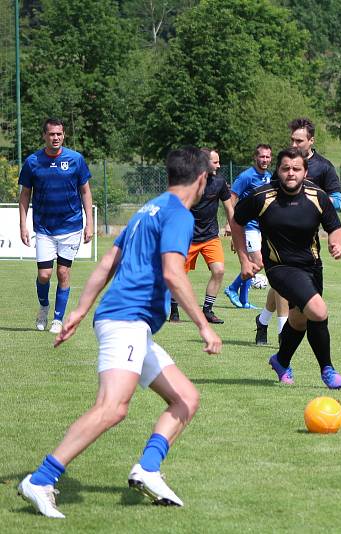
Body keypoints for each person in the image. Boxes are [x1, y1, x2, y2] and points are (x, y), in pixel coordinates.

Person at [17, 147, 222, 519]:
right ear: (203, 179)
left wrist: (80, 310)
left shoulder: (149, 208)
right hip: (126, 320)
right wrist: (204, 325)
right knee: (112, 407)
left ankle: (147, 469)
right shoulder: (178, 214)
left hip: (131, 324)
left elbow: (108, 262)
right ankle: (41, 479)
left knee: (186, 398)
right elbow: (174, 273)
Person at [230, 147, 341, 389]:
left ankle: (281, 360)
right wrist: (244, 259)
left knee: (300, 319)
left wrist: (337, 242)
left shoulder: (317, 196)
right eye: (285, 168)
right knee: (318, 310)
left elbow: (335, 225)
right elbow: (236, 221)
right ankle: (328, 369)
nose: (290, 173)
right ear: (278, 171)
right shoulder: (263, 196)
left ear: (305, 172)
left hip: (312, 267)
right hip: (280, 268)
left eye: (296, 169)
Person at [254, 118, 341, 346]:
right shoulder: (284, 164)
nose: (294, 143)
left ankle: (263, 320)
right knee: (284, 286)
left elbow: (337, 200)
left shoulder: (324, 167)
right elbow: (271, 195)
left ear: (311, 141)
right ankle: (283, 333)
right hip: (280, 239)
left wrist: (313, 200)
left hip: (307, 244)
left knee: (295, 296)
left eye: (299, 140)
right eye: (291, 139)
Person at [18, 117, 94, 334]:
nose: (56, 137)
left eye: (59, 134)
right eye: (51, 134)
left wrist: (90, 223)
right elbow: (24, 195)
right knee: (44, 275)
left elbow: (86, 191)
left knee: (63, 272)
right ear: (44, 136)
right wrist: (23, 225)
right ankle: (43, 307)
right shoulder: (32, 162)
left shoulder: (76, 159)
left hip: (71, 226)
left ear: (64, 135)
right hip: (44, 228)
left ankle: (58, 319)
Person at [169, 148, 234, 324]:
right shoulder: (188, 182)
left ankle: (207, 310)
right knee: (178, 275)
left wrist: (233, 232)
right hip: (188, 237)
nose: (219, 165)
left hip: (210, 236)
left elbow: (229, 208)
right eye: (216, 162)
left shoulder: (219, 182)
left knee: (219, 271)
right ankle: (174, 309)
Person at [223, 144, 272, 312]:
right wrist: (229, 224)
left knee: (253, 263)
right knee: (258, 263)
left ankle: (243, 300)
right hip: (247, 226)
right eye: (262, 156)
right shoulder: (246, 176)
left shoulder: (269, 176)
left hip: (261, 227)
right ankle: (232, 288)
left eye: (267, 157)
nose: (265, 160)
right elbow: (231, 199)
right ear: (255, 158)